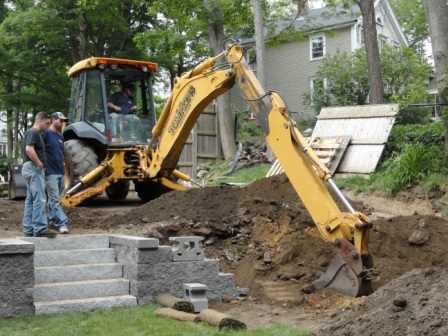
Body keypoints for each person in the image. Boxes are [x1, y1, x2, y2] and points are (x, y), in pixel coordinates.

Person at [22, 112, 51, 237]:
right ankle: (39, 229)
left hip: (29, 168)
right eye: (47, 123)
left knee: (31, 200)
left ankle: (28, 229)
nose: (48, 126)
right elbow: (29, 149)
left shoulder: (35, 133)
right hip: (33, 168)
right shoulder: (33, 132)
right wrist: (39, 163)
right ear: (40, 120)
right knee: (40, 199)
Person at [45, 112, 70, 234]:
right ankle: (62, 223)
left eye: (63, 121)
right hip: (50, 173)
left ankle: (51, 220)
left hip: (60, 172)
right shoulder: (46, 134)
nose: (62, 123)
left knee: (56, 200)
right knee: (55, 199)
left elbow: (61, 154)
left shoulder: (60, 136)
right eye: (60, 120)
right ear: (53, 119)